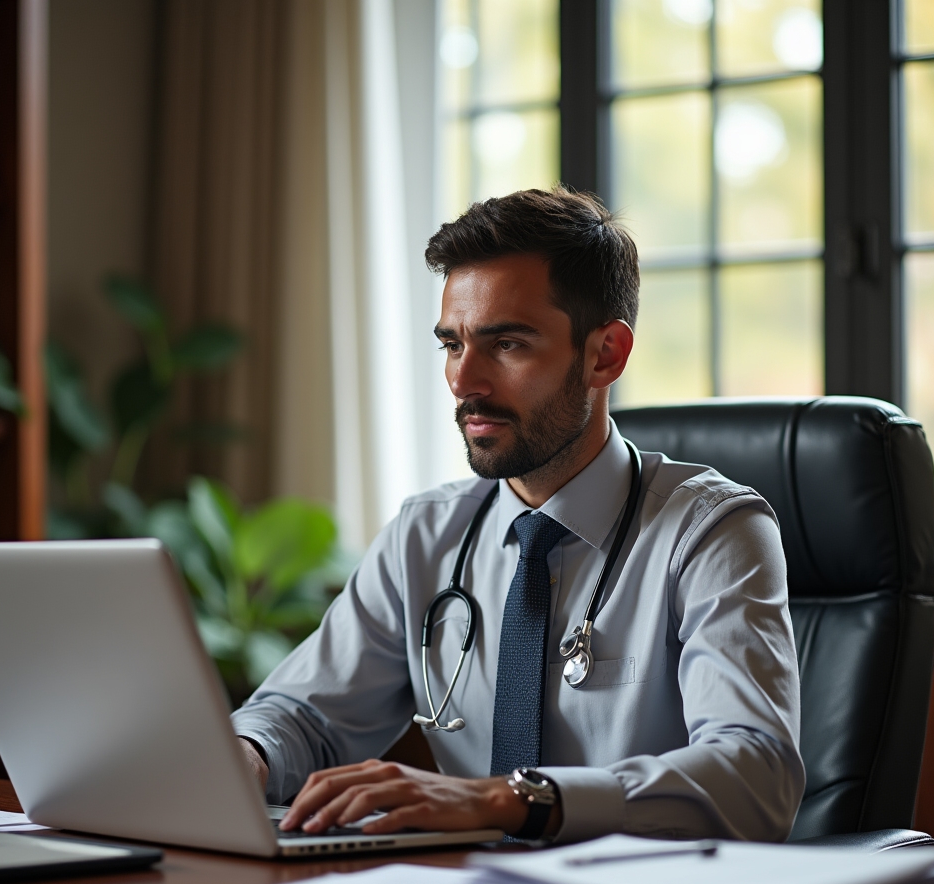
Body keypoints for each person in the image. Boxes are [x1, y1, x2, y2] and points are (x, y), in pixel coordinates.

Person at [232, 186, 804, 844]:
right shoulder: (426, 536)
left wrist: (510, 800)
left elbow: (754, 777)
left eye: (505, 344)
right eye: (452, 344)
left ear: (605, 355)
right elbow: (303, 715)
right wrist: (248, 756)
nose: (463, 381)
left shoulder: (711, 532)